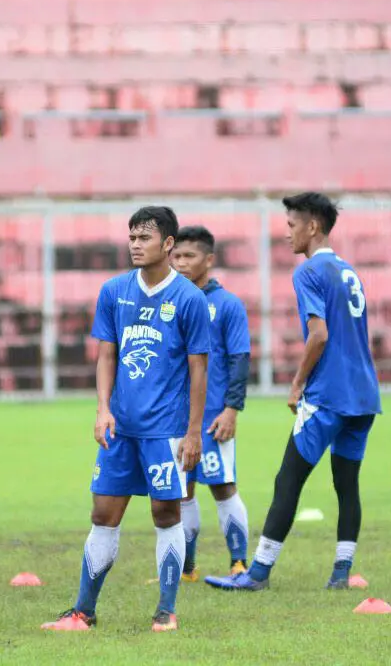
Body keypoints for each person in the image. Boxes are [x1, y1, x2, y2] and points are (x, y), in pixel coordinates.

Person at [42, 206, 210, 633]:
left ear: (167, 244)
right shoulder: (114, 290)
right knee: (103, 513)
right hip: (122, 429)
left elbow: (198, 370)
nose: (135, 245)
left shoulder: (189, 298)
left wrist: (193, 433)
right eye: (132, 237)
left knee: (164, 514)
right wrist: (102, 409)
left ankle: (166, 611)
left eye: (144, 238)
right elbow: (106, 355)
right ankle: (83, 610)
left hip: (167, 430)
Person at [206, 192, 381, 592]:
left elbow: (318, 335)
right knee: (346, 483)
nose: (287, 233)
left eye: (291, 225)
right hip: (364, 394)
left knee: (288, 480)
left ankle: (258, 573)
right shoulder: (348, 270)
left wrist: (298, 380)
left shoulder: (308, 272)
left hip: (329, 396)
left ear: (312, 226)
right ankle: (341, 572)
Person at [169, 225, 251, 579]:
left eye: (189, 256)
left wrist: (232, 409)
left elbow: (239, 359)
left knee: (222, 485)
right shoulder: (169, 300)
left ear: (209, 259)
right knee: (181, 489)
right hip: (175, 417)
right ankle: (187, 567)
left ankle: (239, 562)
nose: (182, 263)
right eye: (176, 256)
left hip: (214, 415)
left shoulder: (227, 305)